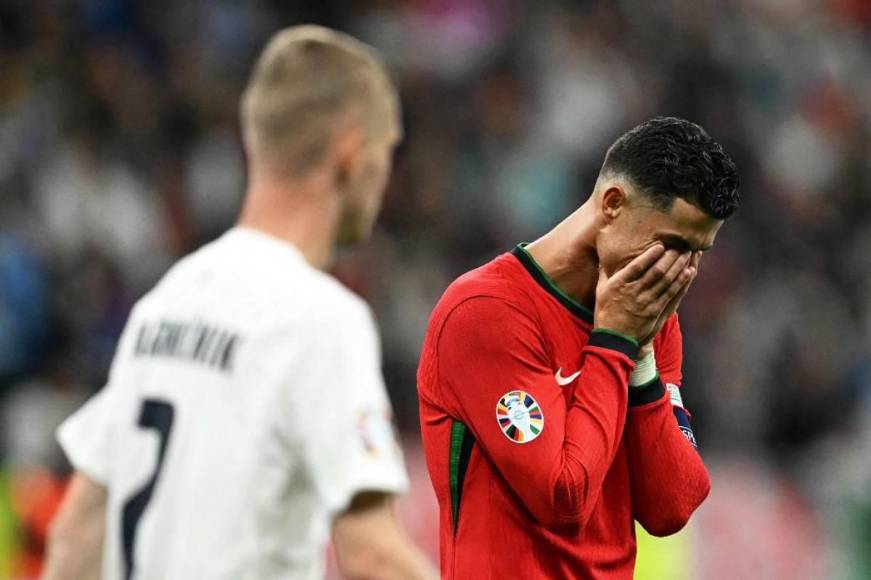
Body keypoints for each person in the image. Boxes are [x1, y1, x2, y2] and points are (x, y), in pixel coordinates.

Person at [42, 25, 437, 580]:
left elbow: (76, 532)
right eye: (386, 150)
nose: (385, 175)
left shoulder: (168, 299)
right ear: (351, 151)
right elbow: (372, 556)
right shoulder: (320, 318)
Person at [418, 116, 740, 579]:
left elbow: (672, 507)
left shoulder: (651, 321)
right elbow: (563, 498)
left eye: (698, 253)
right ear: (612, 205)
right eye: (674, 245)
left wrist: (641, 359)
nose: (682, 272)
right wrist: (614, 344)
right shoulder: (485, 312)